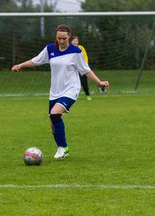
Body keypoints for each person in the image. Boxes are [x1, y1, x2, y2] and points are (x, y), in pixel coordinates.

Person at [11, 24, 109, 160]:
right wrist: (20, 65)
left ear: (69, 36)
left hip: (71, 89)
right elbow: (36, 61)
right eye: (59, 38)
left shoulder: (76, 52)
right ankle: (63, 148)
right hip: (55, 91)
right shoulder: (50, 48)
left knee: (55, 113)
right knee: (53, 122)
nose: (61, 41)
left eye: (64, 38)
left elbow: (86, 70)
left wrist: (99, 82)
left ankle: (63, 148)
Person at [71, 36, 92, 100]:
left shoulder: (81, 48)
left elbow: (85, 57)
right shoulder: (69, 48)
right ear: (71, 41)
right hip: (72, 69)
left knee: (84, 82)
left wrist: (85, 65)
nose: (75, 42)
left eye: (76, 41)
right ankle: (71, 96)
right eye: (74, 40)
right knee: (72, 83)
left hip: (81, 68)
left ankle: (87, 94)